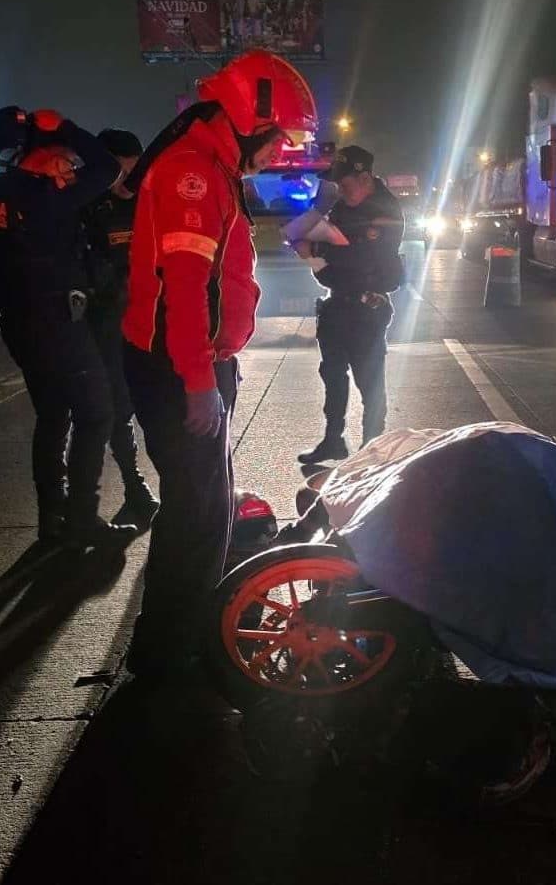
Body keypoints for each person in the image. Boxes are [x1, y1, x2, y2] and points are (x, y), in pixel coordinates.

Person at [120, 50, 305, 678]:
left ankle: (187, 633)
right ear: (250, 119)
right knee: (196, 514)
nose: (281, 153)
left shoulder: (213, 168)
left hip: (190, 364)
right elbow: (184, 293)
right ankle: (168, 654)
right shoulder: (190, 174)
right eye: (279, 139)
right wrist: (201, 384)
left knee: (207, 505)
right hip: (177, 369)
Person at [0, 106, 136, 547]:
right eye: (62, 155)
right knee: (97, 412)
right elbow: (104, 167)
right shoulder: (44, 195)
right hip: (58, 322)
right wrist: (64, 127)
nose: (69, 165)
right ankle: (82, 519)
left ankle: (52, 519)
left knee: (53, 417)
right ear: (39, 154)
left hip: (19, 324)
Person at [295, 145, 406, 464]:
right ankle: (333, 440)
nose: (340, 191)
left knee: (369, 380)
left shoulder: (384, 210)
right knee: (332, 373)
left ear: (365, 178)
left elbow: (360, 256)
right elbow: (335, 248)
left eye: (345, 185)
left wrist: (316, 248)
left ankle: (373, 447)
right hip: (338, 304)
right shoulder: (343, 207)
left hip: (366, 309)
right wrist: (317, 255)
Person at [81, 128, 159, 531]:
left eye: (134, 171)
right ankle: (133, 485)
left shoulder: (154, 202)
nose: (129, 181)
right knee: (116, 410)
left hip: (155, 323)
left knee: (162, 410)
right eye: (121, 173)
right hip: (109, 325)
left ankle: (176, 487)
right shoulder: (88, 209)